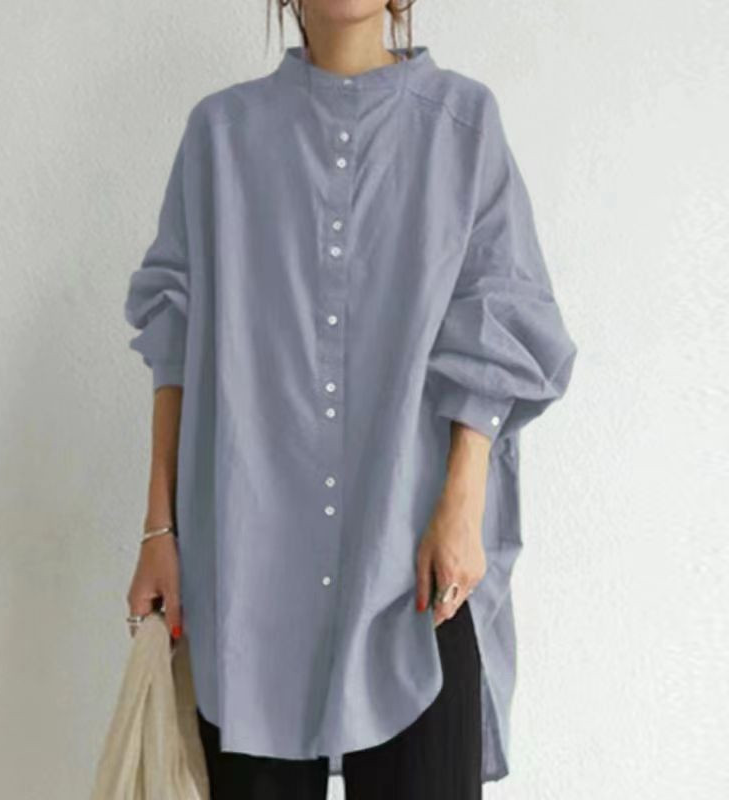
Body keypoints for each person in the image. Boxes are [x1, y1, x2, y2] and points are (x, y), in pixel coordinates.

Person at [122, 1, 578, 798]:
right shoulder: (219, 138)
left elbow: (502, 315)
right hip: (247, 573)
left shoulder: (463, 124)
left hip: (418, 568)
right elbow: (174, 347)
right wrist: (159, 531)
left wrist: (462, 506)